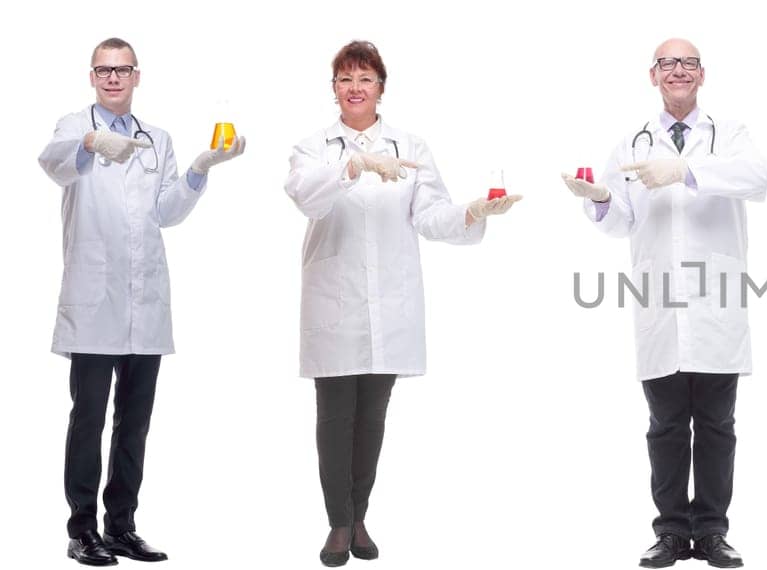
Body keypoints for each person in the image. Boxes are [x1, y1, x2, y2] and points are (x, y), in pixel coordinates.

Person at [283, 40, 520, 567]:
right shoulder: (312, 148)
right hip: (335, 304)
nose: (355, 89)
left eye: (365, 79)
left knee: (372, 418)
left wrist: (473, 211)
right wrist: (351, 166)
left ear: (381, 88)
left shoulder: (409, 146)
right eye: (345, 80)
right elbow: (305, 197)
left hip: (389, 305)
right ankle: (339, 524)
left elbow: (429, 215)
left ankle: (360, 513)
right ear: (334, 90)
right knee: (333, 417)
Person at [561, 37, 767, 569]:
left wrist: (686, 171)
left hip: (716, 304)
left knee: (718, 426)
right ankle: (673, 532)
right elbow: (622, 222)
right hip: (660, 307)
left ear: (703, 75)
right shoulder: (632, 143)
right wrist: (602, 200)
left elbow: (757, 177)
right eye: (668, 63)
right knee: (667, 428)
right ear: (652, 75)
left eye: (689, 63)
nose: (679, 70)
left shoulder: (730, 136)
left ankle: (714, 533)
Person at [38, 36, 246, 567]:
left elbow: (166, 212)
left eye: (122, 69)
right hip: (94, 298)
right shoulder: (71, 124)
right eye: (103, 70)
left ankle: (122, 526)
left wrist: (201, 167)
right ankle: (82, 529)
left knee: (135, 422)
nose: (113, 78)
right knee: (88, 418)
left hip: (145, 300)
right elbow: (53, 162)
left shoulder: (158, 138)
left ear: (136, 76)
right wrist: (90, 142)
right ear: (92, 76)